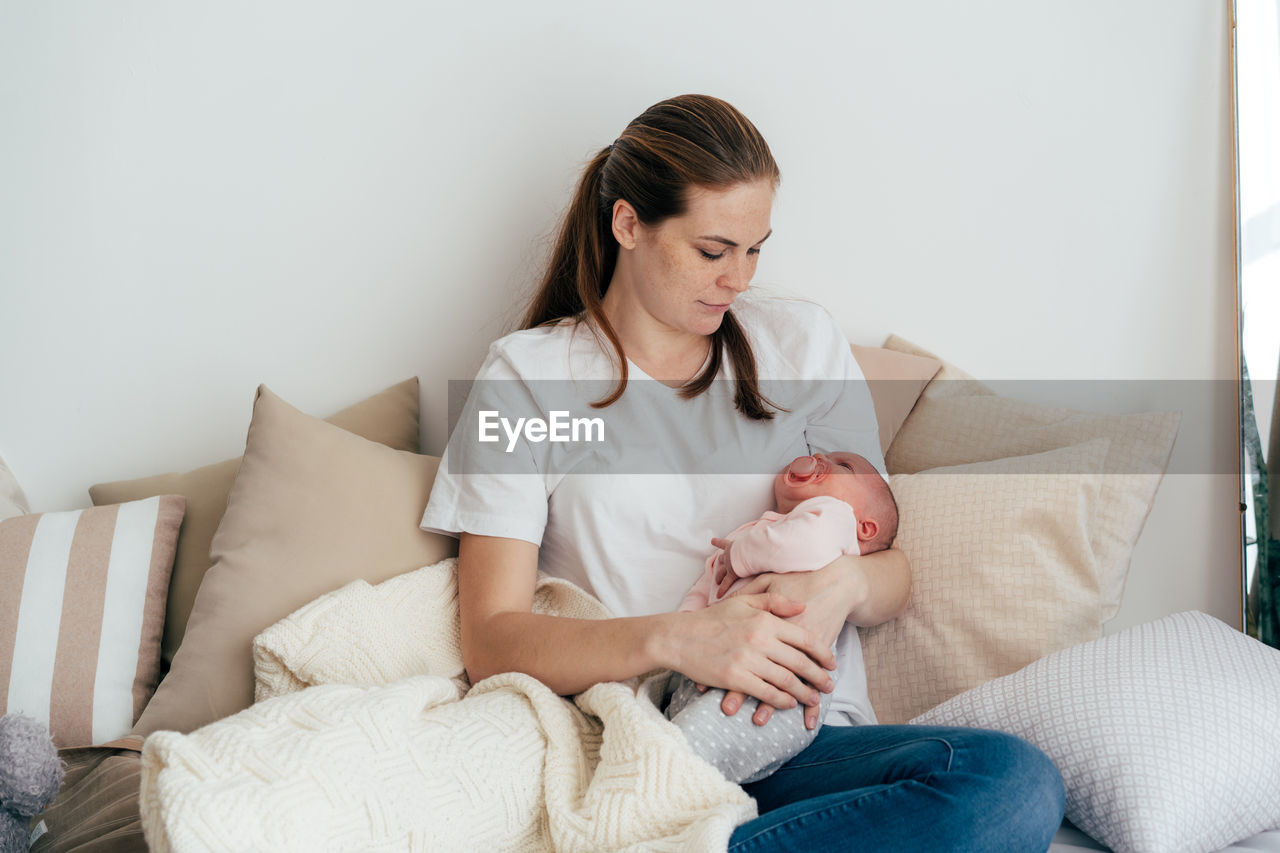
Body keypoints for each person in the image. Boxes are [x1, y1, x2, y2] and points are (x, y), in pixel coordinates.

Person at [420, 94, 1065, 851]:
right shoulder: (528, 377)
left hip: (802, 739)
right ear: (628, 224)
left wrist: (840, 588)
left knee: (1012, 784)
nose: (738, 280)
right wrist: (682, 640)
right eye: (713, 249)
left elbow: (886, 562)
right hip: (648, 744)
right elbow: (492, 637)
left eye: (756, 249)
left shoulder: (800, 343)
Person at [665, 450, 899, 785]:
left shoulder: (834, 519)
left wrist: (740, 553)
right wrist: (685, 639)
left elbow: (808, 544)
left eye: (844, 466)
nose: (819, 458)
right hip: (711, 668)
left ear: (864, 528)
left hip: (780, 678)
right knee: (676, 734)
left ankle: (660, 787)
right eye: (821, 455)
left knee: (687, 752)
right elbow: (702, 591)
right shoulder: (755, 534)